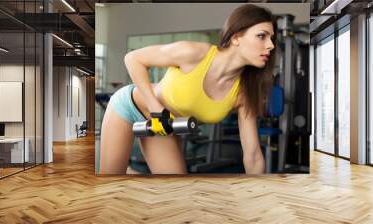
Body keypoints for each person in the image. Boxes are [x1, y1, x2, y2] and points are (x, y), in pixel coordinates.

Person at [99, 4, 277, 174]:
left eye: (272, 38)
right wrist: (155, 108)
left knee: (177, 192)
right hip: (130, 106)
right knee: (111, 181)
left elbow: (253, 154)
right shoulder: (195, 53)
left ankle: (133, 176)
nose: (271, 45)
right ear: (236, 37)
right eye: (262, 36)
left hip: (163, 128)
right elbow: (133, 58)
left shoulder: (243, 93)